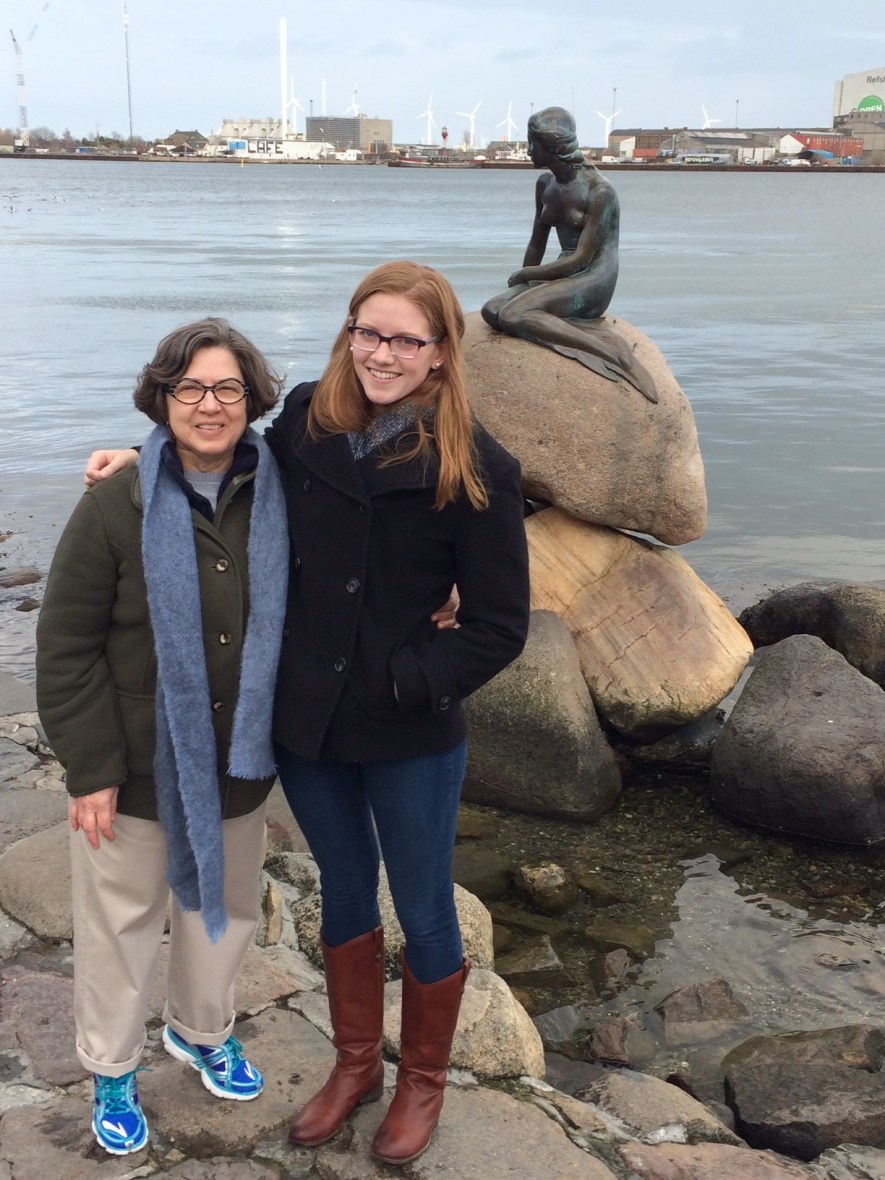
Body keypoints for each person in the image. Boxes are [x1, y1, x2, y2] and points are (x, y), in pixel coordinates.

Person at [85, 260, 531, 1166]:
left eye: (406, 339)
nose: (381, 353)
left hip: (408, 729)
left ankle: (421, 1084)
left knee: (424, 908)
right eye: (368, 332)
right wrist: (145, 460)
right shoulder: (303, 425)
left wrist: (410, 677)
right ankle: (355, 1065)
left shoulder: (478, 465)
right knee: (342, 893)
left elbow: (497, 628)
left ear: (441, 354)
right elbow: (223, 461)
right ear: (348, 334)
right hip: (309, 723)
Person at [36, 319, 289, 1156]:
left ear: (252, 398)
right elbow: (66, 646)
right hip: (136, 764)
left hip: (239, 762)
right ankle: (112, 1068)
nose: (208, 405)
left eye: (226, 389)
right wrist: (91, 769)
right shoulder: (117, 503)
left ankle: (201, 1031)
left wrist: (447, 594)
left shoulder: (286, 493)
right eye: (190, 389)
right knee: (120, 922)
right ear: (162, 397)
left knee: (223, 910)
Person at [481, 105, 658, 403]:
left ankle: (612, 352)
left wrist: (528, 276)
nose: (527, 151)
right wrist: (521, 285)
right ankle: (556, 322)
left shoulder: (600, 191)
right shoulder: (545, 185)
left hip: (593, 277)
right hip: (563, 271)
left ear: (551, 146)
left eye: (532, 143)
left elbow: (582, 259)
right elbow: (536, 244)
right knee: (492, 311)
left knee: (513, 314)